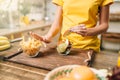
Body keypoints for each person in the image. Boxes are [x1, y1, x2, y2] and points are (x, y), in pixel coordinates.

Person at [30, 0, 113, 53]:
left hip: (88, 48)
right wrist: (48, 36)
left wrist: (89, 31)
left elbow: (104, 25)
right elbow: (57, 23)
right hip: (64, 46)